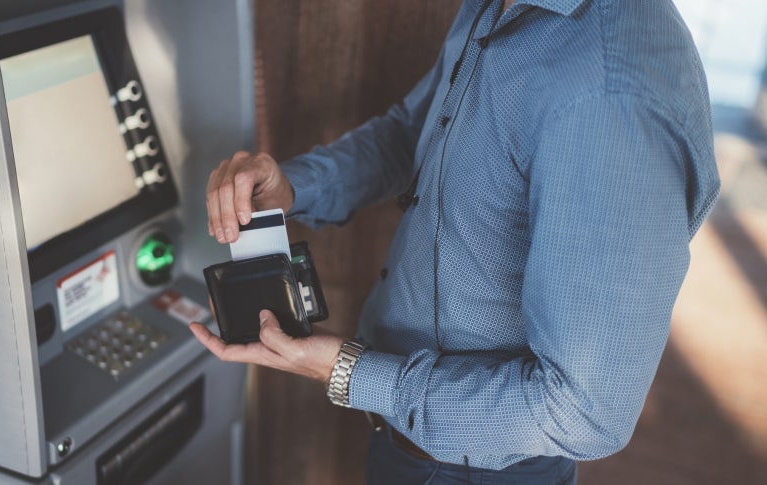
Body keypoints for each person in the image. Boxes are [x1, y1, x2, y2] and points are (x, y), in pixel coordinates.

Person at [190, 0, 721, 483]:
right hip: (405, 437)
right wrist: (296, 185)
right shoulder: (500, 7)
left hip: (480, 471)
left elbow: (582, 413)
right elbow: (416, 131)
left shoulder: (610, 96)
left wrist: (352, 373)